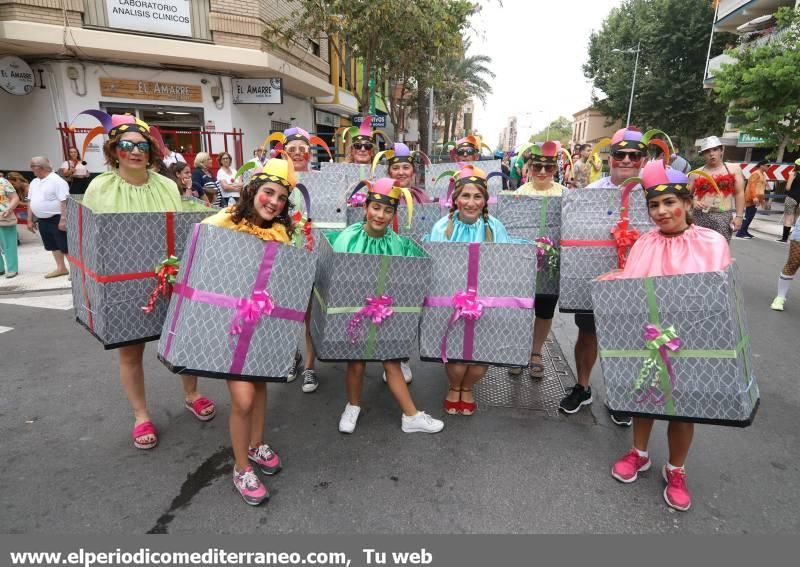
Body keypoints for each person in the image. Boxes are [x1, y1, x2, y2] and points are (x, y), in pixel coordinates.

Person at [78, 110, 216, 450]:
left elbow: (182, 231)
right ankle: (141, 415)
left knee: (183, 339)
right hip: (124, 281)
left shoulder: (168, 186)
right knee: (130, 352)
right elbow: (94, 240)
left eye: (142, 145)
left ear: (152, 151)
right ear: (114, 150)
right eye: (126, 145)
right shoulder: (99, 187)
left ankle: (192, 393)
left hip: (170, 275)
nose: (135, 151)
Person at [603, 160, 731, 512]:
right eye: (654, 205)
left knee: (683, 408)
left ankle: (676, 469)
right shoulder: (644, 243)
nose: (662, 212)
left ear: (688, 203)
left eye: (670, 203)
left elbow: (718, 297)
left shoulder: (712, 242)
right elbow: (633, 289)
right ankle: (639, 453)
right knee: (644, 395)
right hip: (649, 337)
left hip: (691, 340)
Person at [201, 158, 302, 506]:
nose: (273, 202)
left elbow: (287, 280)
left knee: (259, 388)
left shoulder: (281, 233)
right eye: (268, 193)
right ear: (252, 191)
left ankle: (256, 444)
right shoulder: (223, 222)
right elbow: (200, 258)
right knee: (243, 398)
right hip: (230, 324)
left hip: (264, 325)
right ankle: (241, 467)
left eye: (281, 198)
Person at [559, 127, 654, 426]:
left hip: (637, 280)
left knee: (629, 340)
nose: (626, 160)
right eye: (620, 154)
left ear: (642, 159)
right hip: (595, 276)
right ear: (611, 158)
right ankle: (582, 387)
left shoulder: (654, 194)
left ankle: (621, 395)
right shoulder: (590, 194)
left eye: (633, 155)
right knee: (588, 335)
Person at [333, 178, 444, 435]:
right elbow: (339, 280)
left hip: (387, 313)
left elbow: (405, 280)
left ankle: (411, 415)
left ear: (394, 213)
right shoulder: (347, 238)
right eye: (376, 208)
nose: (380, 215)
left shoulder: (397, 243)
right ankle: (352, 405)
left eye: (388, 210)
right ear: (365, 208)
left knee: (392, 361)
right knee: (356, 363)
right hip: (355, 314)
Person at [426, 164, 514, 416]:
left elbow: (505, 265)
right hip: (451, 300)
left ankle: (468, 387)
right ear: (455, 199)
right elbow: (437, 266)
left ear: (485, 200)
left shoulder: (495, 227)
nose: (471, 202)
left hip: (485, 301)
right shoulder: (441, 227)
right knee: (455, 354)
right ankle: (455, 386)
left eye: (478, 196)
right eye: (465, 195)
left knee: (479, 358)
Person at [505, 142, 568, 379]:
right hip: (523, 262)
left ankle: (535, 352)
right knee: (521, 308)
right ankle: (518, 350)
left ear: (555, 169)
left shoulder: (565, 194)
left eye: (549, 167)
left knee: (544, 310)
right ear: (529, 167)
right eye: (537, 166)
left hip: (552, 265)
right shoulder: (519, 195)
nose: (542, 172)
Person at [689, 136, 745, 242]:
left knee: (719, 252)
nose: (711, 154)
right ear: (703, 154)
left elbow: (739, 193)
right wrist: (693, 202)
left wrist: (739, 216)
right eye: (707, 151)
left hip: (723, 217)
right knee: (698, 253)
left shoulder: (733, 169)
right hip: (699, 218)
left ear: (721, 150)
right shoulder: (696, 174)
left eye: (715, 149)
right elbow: (684, 196)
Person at [26, 156, 70, 279]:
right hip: (42, 219)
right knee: (52, 245)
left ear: (39, 168)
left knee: (64, 245)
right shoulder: (34, 182)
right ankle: (61, 268)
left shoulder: (57, 181)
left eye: (32, 167)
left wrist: (63, 219)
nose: (31, 170)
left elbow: (64, 201)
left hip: (56, 218)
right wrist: (30, 219)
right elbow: (30, 201)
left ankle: (75, 269)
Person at [265, 126, 333, 173]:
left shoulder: (321, 178)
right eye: (291, 149)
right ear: (283, 155)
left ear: (310, 155)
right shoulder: (274, 181)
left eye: (302, 149)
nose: (297, 152)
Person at [736, 160, 768, 239]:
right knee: (748, 215)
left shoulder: (763, 174)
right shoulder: (756, 174)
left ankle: (745, 231)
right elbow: (752, 186)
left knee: (751, 215)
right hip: (752, 198)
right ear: (761, 165)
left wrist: (762, 199)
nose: (768, 167)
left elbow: (761, 188)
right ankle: (740, 232)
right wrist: (754, 197)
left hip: (757, 198)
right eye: (767, 165)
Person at [0, 176, 20, 278]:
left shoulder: (3, 181)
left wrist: (9, 208)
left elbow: (15, 198)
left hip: (3, 216)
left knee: (9, 244)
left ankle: (12, 269)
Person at [777, 159, 800, 242]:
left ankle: (784, 238)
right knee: (798, 218)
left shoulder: (793, 174)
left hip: (792, 197)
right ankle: (796, 238)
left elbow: (788, 187)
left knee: (788, 218)